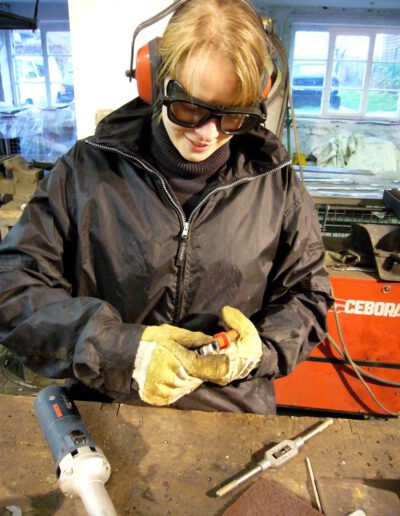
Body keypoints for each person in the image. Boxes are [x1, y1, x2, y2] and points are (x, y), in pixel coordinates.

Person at [0, 0, 332, 414]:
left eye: (232, 118)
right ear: (155, 80)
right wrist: (123, 351)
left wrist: (260, 351)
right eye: (190, 108)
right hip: (109, 405)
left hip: (231, 415)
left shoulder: (277, 184)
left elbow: (308, 295)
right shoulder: (84, 172)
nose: (208, 134)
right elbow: (12, 287)